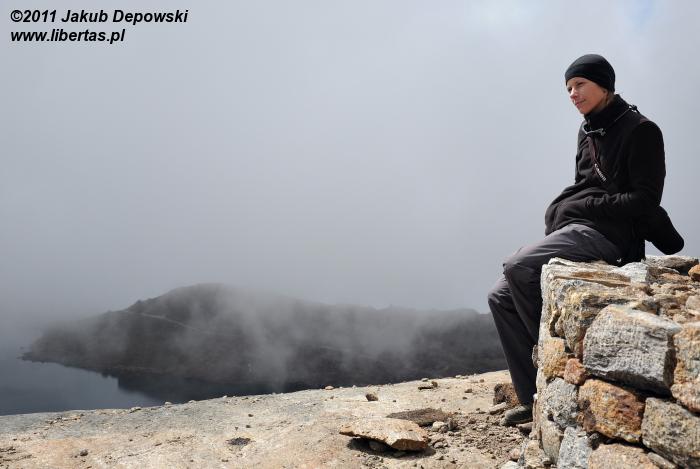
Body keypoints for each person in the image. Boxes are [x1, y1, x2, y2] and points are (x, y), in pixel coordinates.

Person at [487, 54, 682, 426]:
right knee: (499, 295)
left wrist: (584, 205)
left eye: (580, 85)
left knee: (518, 265)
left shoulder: (642, 130)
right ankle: (531, 398)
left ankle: (551, 354)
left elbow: (645, 200)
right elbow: (586, 184)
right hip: (580, 229)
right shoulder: (588, 130)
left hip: (613, 236)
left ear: (604, 85)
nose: (573, 94)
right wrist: (568, 207)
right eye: (568, 88)